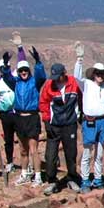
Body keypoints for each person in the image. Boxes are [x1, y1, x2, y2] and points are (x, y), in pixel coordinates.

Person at [73, 42, 104, 194]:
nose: (100, 75)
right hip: (90, 121)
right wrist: (79, 59)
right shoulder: (87, 84)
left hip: (103, 121)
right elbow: (76, 77)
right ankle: (85, 180)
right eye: (97, 73)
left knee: (100, 153)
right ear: (93, 74)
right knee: (87, 152)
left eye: (102, 73)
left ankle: (99, 178)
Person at [0, 33, 47, 187]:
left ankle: (38, 176)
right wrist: (6, 65)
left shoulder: (35, 82)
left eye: (25, 70)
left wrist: (38, 61)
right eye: (21, 71)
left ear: (29, 70)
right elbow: (7, 77)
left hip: (32, 117)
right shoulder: (16, 83)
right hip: (19, 118)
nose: (23, 72)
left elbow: (41, 75)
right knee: (22, 149)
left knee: (33, 149)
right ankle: (24, 173)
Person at [39, 59, 82, 194]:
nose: (56, 80)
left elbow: (81, 98)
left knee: (71, 153)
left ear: (64, 73)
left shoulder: (73, 84)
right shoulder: (49, 85)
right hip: (54, 125)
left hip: (69, 124)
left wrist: (81, 114)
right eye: (54, 77)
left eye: (58, 77)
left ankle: (72, 178)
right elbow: (43, 103)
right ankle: (52, 181)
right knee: (50, 155)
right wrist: (46, 121)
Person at [0, 41, 27, 174]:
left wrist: (20, 48)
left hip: (17, 112)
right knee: (8, 140)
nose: (4, 68)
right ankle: (10, 162)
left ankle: (25, 163)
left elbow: (22, 62)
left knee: (23, 138)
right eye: (2, 67)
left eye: (6, 66)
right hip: (5, 114)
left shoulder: (15, 76)